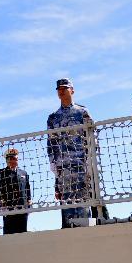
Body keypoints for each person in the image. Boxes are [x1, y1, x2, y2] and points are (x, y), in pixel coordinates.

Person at [46, 78, 93, 228]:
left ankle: (86, 230)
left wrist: (91, 160)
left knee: (83, 199)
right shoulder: (53, 117)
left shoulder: (82, 112)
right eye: (59, 89)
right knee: (66, 203)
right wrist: (53, 164)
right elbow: (51, 143)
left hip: (81, 163)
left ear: (72, 90)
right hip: (63, 166)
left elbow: (91, 137)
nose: (61, 90)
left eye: (65, 88)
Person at [0, 148, 31, 234]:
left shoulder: (23, 173)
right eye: (11, 159)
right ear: (7, 160)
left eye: (16, 159)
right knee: (9, 234)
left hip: (22, 208)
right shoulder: (1, 173)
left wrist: (29, 201)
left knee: (22, 233)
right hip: (9, 208)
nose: (14, 161)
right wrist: (1, 201)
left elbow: (27, 188)